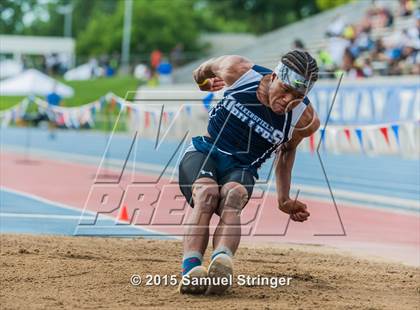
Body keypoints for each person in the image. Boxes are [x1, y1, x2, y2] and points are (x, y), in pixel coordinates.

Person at [178, 50, 320, 295]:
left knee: (233, 197)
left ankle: (221, 264)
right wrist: (204, 83)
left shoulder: (304, 120)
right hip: (206, 151)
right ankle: (191, 270)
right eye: (284, 90)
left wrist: (283, 200)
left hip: (243, 168)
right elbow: (200, 71)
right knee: (207, 194)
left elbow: (286, 152)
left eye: (297, 97)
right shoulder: (238, 70)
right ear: (274, 76)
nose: (288, 101)